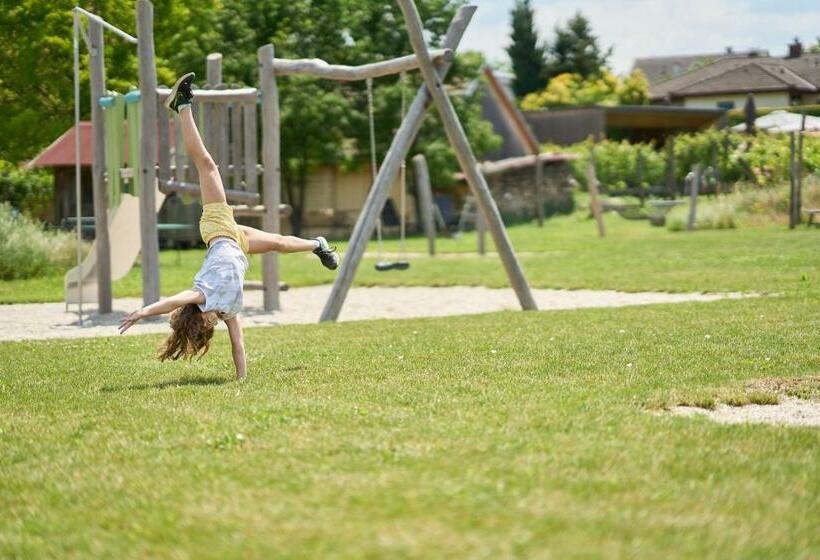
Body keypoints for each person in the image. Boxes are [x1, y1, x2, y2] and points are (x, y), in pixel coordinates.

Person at [118, 72, 339, 380]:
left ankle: (182, 106)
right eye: (209, 329)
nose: (212, 325)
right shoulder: (229, 312)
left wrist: (143, 312)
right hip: (237, 240)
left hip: (218, 229)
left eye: (205, 325)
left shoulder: (200, 296)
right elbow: (239, 345)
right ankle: (318, 245)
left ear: (199, 318)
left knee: (207, 165)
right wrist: (241, 379)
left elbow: (172, 301)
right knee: (278, 244)